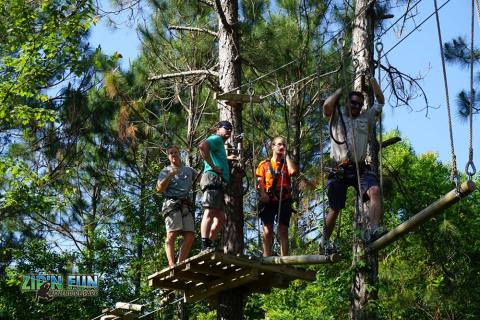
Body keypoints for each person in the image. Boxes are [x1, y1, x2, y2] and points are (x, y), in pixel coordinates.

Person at [320, 77, 385, 252]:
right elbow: (327, 106)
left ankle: (373, 230)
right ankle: (324, 241)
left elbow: (380, 101)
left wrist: (372, 81)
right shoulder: (336, 116)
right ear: (347, 102)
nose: (356, 106)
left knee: (375, 191)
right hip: (340, 169)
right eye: (354, 103)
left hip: (360, 167)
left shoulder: (366, 118)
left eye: (359, 104)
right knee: (335, 208)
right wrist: (338, 92)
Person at [198, 120, 237, 250]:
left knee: (221, 218)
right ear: (218, 129)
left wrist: (226, 159)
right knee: (209, 211)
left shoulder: (219, 143)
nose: (229, 131)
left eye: (231, 129)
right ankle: (204, 245)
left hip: (218, 182)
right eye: (226, 128)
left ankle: (209, 242)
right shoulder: (216, 138)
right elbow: (202, 146)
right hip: (213, 178)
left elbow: (214, 155)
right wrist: (214, 167)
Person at [156, 146, 198, 267]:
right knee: (172, 234)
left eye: (175, 152)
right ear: (168, 157)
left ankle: (180, 263)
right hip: (172, 204)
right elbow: (159, 189)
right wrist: (169, 175)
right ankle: (171, 264)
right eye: (170, 153)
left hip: (186, 204)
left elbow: (202, 179)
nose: (173, 154)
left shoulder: (188, 170)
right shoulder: (165, 170)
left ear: (180, 154)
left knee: (190, 235)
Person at [256, 137, 298, 257]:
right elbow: (260, 181)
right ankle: (266, 256)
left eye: (283, 145)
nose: (281, 147)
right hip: (269, 200)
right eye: (279, 144)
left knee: (283, 230)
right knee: (267, 228)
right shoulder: (264, 165)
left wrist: (287, 156)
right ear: (272, 146)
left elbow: (293, 172)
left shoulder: (286, 164)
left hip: (284, 200)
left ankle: (284, 258)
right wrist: (263, 194)